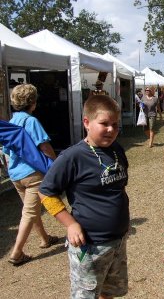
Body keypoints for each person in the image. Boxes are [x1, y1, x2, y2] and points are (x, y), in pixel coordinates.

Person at [38, 95, 130, 299]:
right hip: (89, 246)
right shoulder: (72, 157)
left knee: (109, 291)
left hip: (118, 241)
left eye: (115, 124)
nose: (111, 130)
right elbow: (45, 193)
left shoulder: (117, 150)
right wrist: (70, 224)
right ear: (87, 123)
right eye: (104, 124)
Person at [4, 84, 58, 266]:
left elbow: (5, 150)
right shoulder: (31, 121)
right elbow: (44, 146)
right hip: (33, 173)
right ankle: (17, 252)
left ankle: (45, 239)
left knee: (31, 210)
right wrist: (56, 163)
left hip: (15, 174)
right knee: (29, 212)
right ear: (32, 102)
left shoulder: (11, 122)